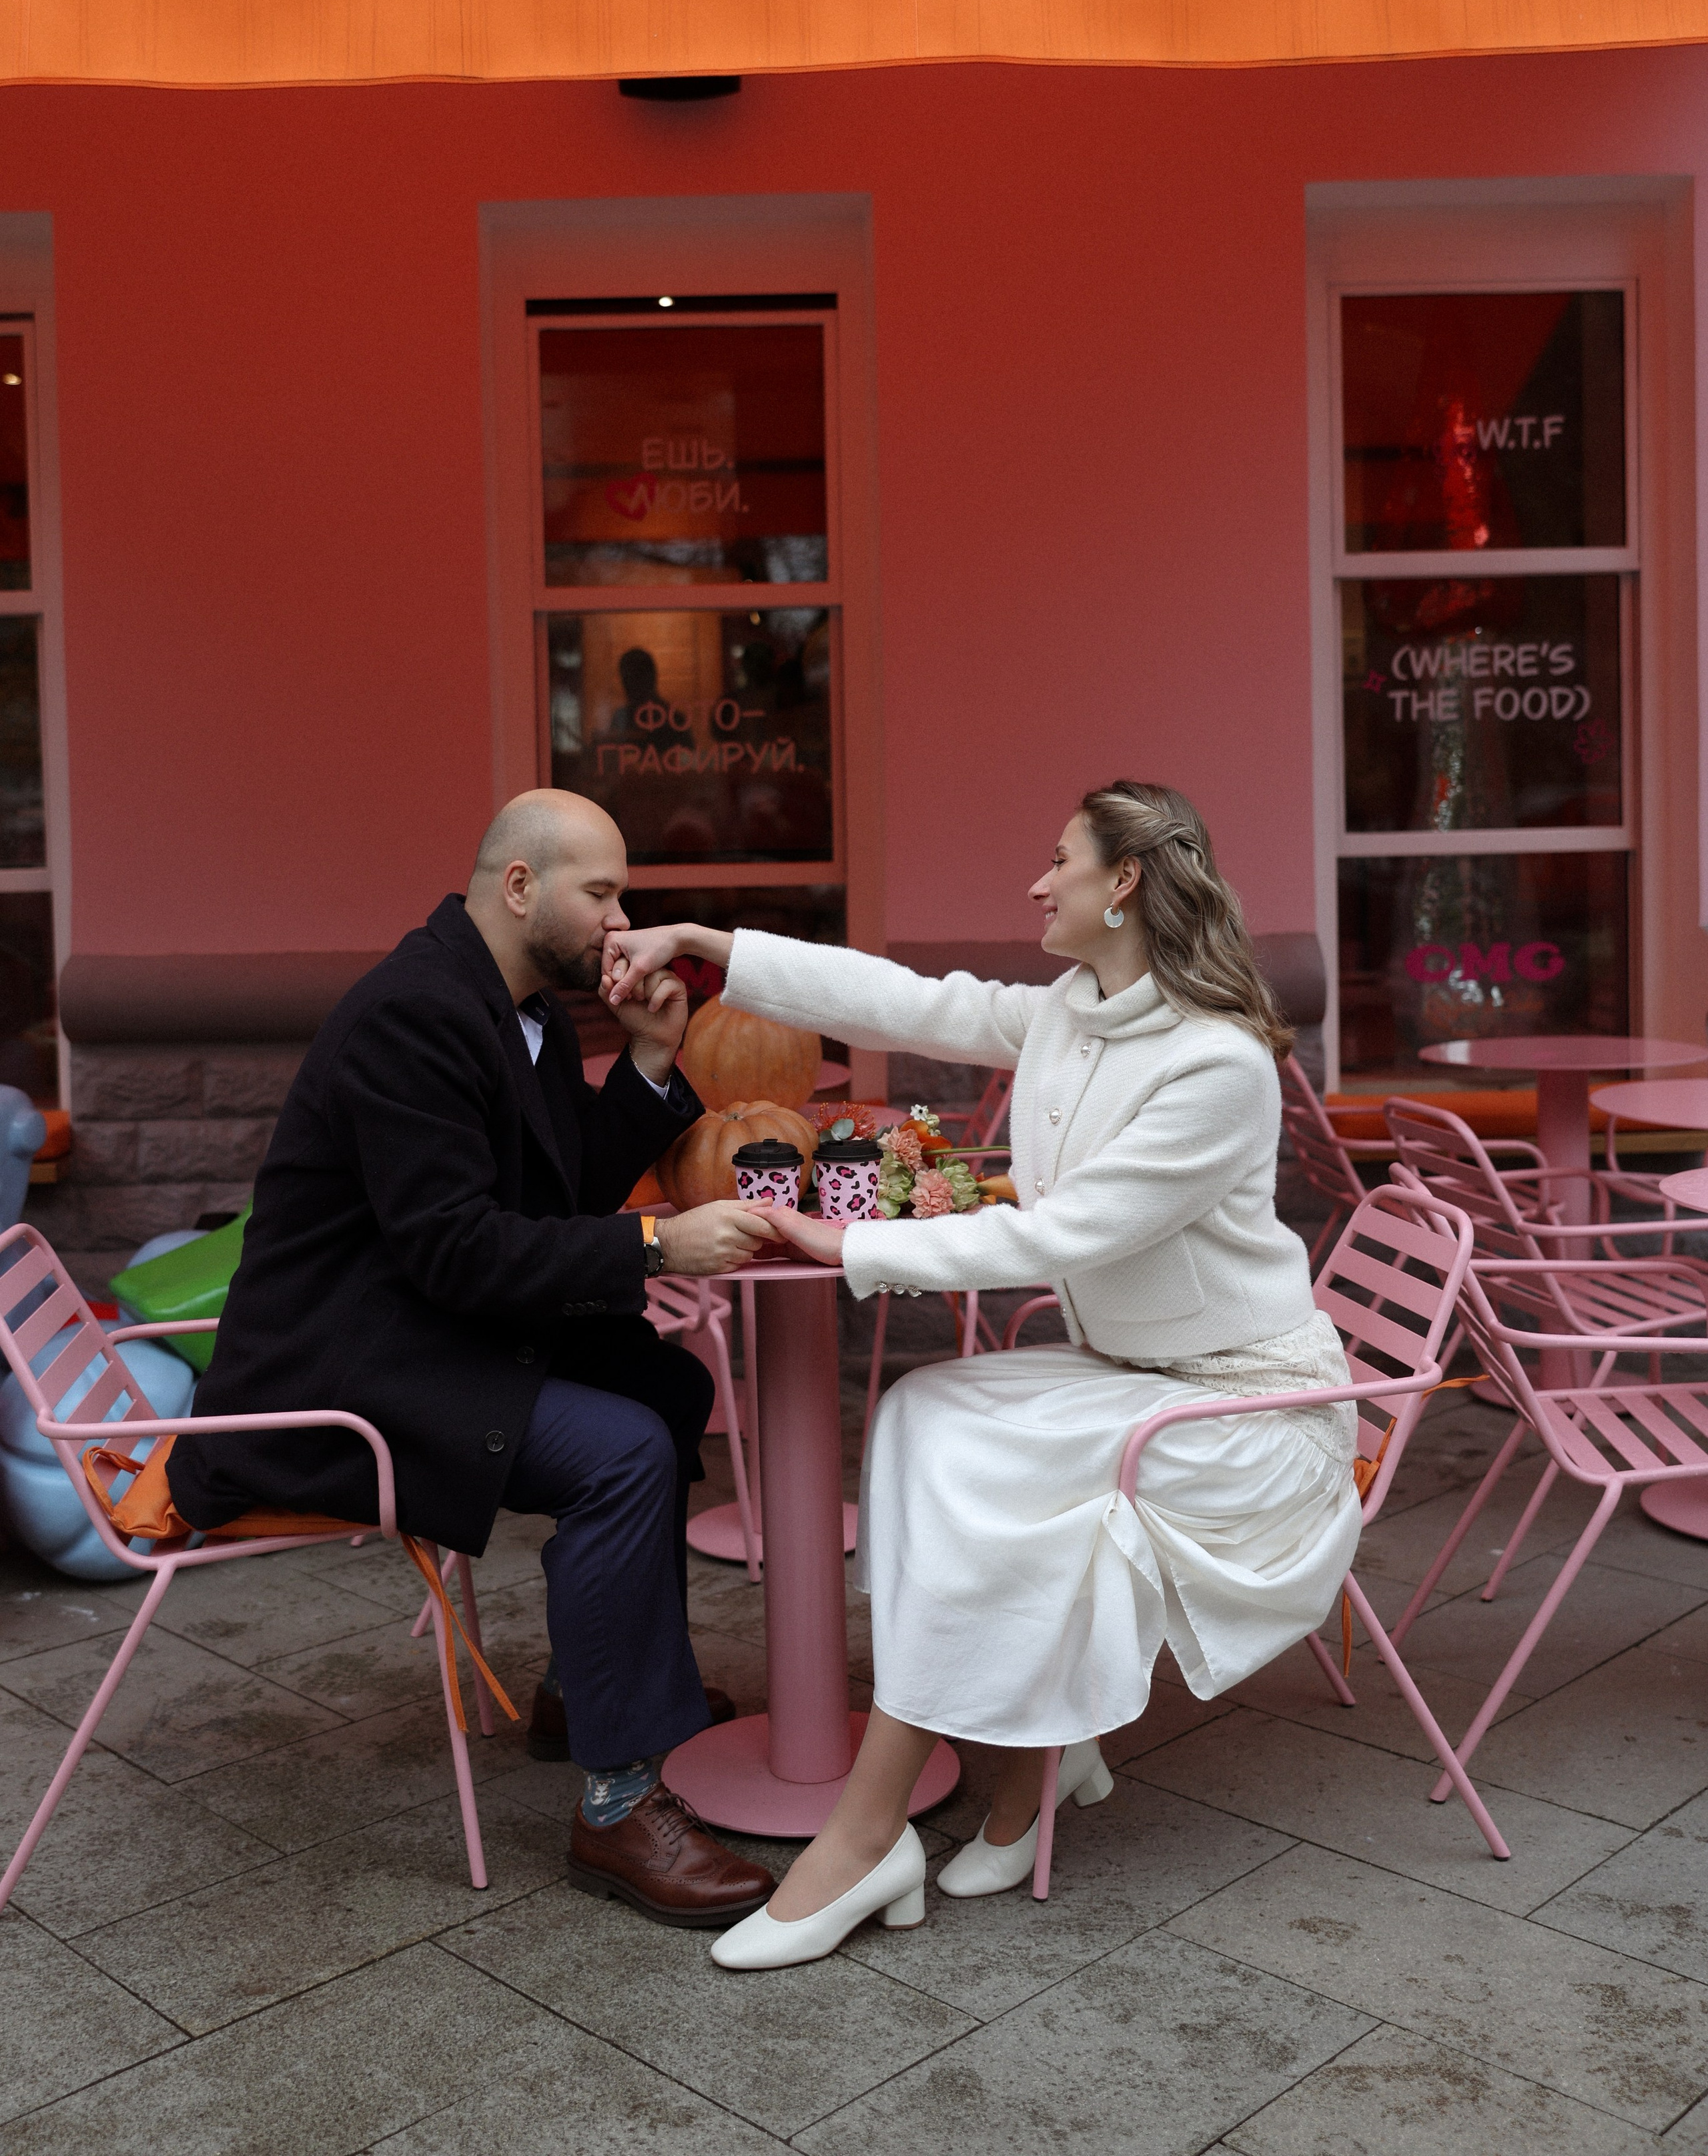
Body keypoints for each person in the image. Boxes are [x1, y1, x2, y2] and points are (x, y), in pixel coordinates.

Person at [601, 780, 1364, 1968]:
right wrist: (709, 948)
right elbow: (906, 999)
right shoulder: (1076, 1009)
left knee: (991, 1472)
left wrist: (848, 1243)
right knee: (920, 1412)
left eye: (1059, 860)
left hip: (1245, 1404)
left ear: (1123, 884)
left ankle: (866, 1837)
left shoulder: (1217, 1067)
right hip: (1137, 1370)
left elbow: (1061, 1235)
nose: (1037, 881)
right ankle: (1029, 1763)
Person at [170, 789, 781, 1928]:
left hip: (424, 1334)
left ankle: (583, 1687)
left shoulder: (514, 1005)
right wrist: (658, 1241)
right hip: (341, 1375)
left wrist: (647, 1060)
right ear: (518, 886)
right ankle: (618, 1798)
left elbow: (558, 1197)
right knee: (621, 1454)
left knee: (665, 1381)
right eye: (601, 892)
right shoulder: (418, 1015)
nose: (621, 921)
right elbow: (459, 1252)